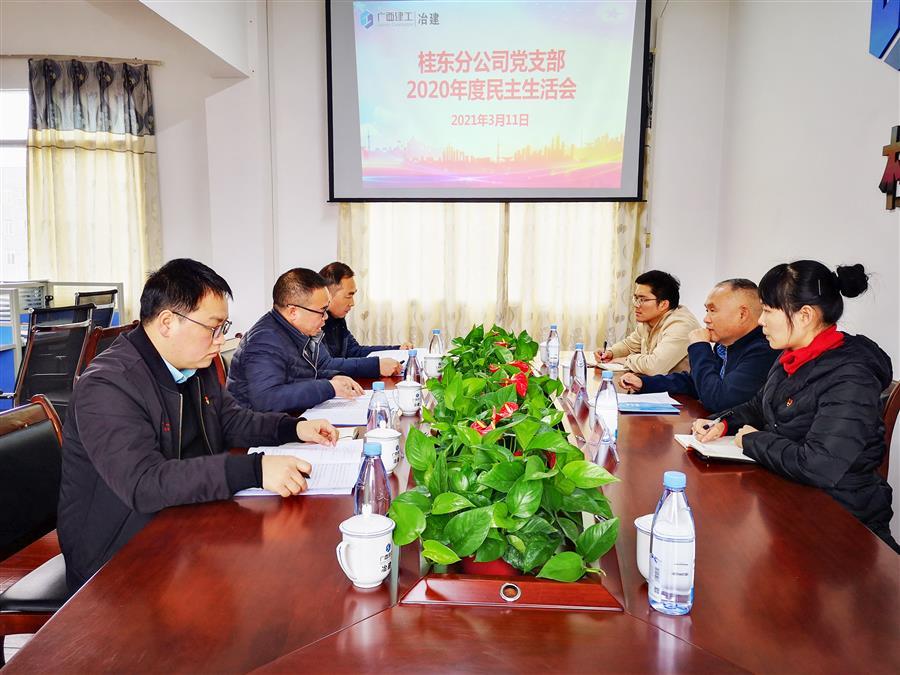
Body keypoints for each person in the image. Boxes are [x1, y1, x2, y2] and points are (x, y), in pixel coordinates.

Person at [58, 259, 340, 590]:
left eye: (223, 327)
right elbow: (144, 484)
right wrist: (254, 469)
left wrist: (293, 429)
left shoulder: (193, 365)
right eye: (212, 328)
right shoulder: (108, 385)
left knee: (290, 562)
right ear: (167, 322)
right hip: (120, 558)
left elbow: (230, 420)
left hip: (187, 519)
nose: (220, 340)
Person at [692, 261, 898, 552]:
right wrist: (723, 422)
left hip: (840, 521)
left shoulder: (852, 376)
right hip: (788, 496)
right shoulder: (791, 355)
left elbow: (819, 465)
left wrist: (753, 440)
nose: (761, 321)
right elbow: (759, 405)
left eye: (768, 311)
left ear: (805, 315)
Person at [227, 268, 396, 414]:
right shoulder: (265, 341)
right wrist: (329, 387)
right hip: (257, 434)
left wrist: (334, 377)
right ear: (293, 311)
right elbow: (267, 399)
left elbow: (303, 375)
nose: (326, 317)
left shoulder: (293, 330)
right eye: (321, 311)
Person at [620, 279, 777, 411]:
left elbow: (718, 400)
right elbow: (695, 383)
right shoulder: (725, 346)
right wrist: (644, 383)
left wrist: (700, 346)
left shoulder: (762, 351)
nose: (706, 319)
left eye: (712, 310)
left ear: (742, 314)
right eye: (706, 310)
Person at [595, 270, 701, 375]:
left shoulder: (681, 326)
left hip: (683, 386)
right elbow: (629, 345)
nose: (636, 305)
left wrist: (626, 360)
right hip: (658, 383)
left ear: (663, 304)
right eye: (635, 298)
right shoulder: (649, 321)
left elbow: (654, 367)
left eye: (642, 300)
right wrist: (611, 353)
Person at [319, 261, 413, 359]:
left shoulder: (337, 319)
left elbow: (356, 351)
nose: (352, 303)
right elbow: (330, 364)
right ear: (327, 294)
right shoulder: (316, 324)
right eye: (348, 296)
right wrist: (377, 364)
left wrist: (397, 349)